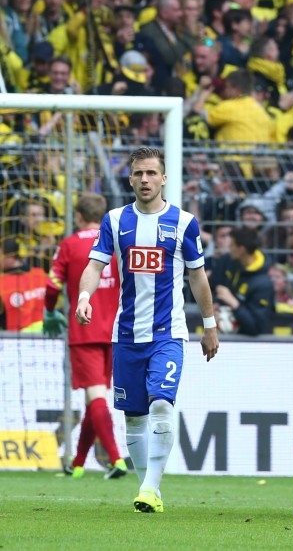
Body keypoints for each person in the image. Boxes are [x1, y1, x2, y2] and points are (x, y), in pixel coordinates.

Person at [74, 147, 219, 513]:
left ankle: (150, 488)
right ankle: (148, 488)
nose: (145, 179)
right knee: (134, 417)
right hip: (126, 335)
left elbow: (198, 277)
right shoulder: (114, 220)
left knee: (161, 404)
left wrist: (210, 325)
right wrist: (84, 297)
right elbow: (95, 265)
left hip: (168, 333)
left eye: (152, 173)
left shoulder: (183, 222)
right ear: (130, 179)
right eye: (139, 173)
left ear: (164, 178)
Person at [44, 193, 126, 479]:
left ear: (78, 216)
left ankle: (115, 460)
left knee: (96, 396)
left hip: (84, 329)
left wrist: (49, 311)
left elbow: (52, 284)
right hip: (115, 330)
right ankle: (78, 464)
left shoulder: (70, 244)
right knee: (95, 398)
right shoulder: (116, 243)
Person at [209, 227, 275, 336]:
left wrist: (233, 302)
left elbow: (256, 327)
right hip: (223, 334)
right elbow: (214, 286)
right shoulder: (226, 261)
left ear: (241, 249)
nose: (229, 249)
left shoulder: (264, 284)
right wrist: (215, 304)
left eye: (232, 246)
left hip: (251, 343)